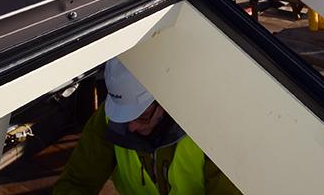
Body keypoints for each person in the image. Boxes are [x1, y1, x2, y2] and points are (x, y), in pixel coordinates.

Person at [53, 59, 241, 195]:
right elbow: (76, 181)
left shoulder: (212, 130)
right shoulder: (110, 117)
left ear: (166, 101)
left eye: (141, 116)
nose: (131, 127)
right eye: (124, 117)